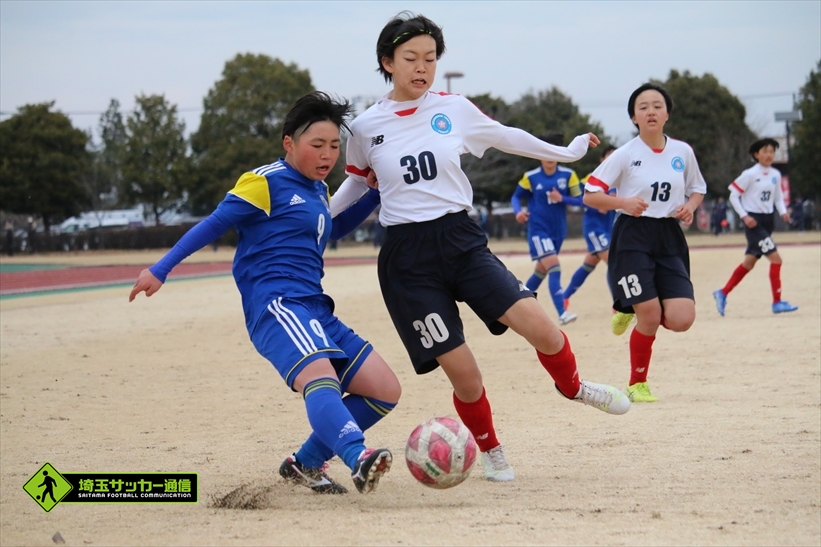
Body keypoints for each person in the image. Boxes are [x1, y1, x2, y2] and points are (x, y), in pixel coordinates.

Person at [330, 12, 630, 484]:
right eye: (410, 58)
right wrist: (316, 221)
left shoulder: (455, 109)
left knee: (544, 331)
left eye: (430, 58)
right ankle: (491, 452)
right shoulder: (366, 127)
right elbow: (353, 186)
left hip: (461, 241)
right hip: (407, 262)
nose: (422, 66)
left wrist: (566, 152)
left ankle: (574, 388)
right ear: (387, 62)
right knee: (466, 377)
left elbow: (507, 137)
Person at [129, 92, 399, 495]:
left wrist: (374, 195)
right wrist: (160, 269)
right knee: (319, 375)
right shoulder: (264, 182)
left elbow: (328, 232)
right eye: (317, 145)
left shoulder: (318, 190)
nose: (327, 155)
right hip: (277, 305)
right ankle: (357, 456)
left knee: (383, 390)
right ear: (288, 143)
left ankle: (305, 464)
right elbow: (212, 224)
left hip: (314, 307)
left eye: (334, 146)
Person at [583, 82, 706, 403]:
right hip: (633, 235)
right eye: (643, 107)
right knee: (650, 315)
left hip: (669, 237)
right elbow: (590, 194)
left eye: (657, 105)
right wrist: (622, 202)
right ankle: (638, 383)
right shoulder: (625, 154)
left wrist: (689, 208)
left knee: (681, 319)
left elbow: (697, 188)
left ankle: (626, 302)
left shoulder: (683, 152)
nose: (650, 111)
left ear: (667, 114)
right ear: (634, 118)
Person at [712, 138, 798, 316]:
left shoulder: (775, 174)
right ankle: (777, 302)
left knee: (749, 263)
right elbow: (733, 196)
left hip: (768, 221)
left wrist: (783, 211)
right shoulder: (749, 174)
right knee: (776, 259)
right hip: (754, 223)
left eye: (772, 152)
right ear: (756, 154)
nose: (769, 155)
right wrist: (744, 216)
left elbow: (778, 198)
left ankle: (722, 292)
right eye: (765, 151)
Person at [511, 133, 582, 326]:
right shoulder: (531, 177)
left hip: (558, 232)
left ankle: (516, 308)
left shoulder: (568, 175)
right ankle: (562, 312)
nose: (549, 156)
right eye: (545, 151)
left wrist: (563, 199)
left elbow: (583, 200)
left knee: (539, 274)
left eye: (554, 151)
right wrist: (518, 212)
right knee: (554, 267)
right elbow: (516, 197)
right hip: (538, 231)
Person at [562, 145, 617, 309]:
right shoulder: (590, 179)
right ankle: (618, 304)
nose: (612, 160)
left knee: (589, 265)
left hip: (610, 229)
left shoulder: (618, 180)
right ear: (602, 159)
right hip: (595, 228)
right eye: (609, 156)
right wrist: (561, 198)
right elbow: (580, 200)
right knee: (614, 263)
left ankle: (564, 297)